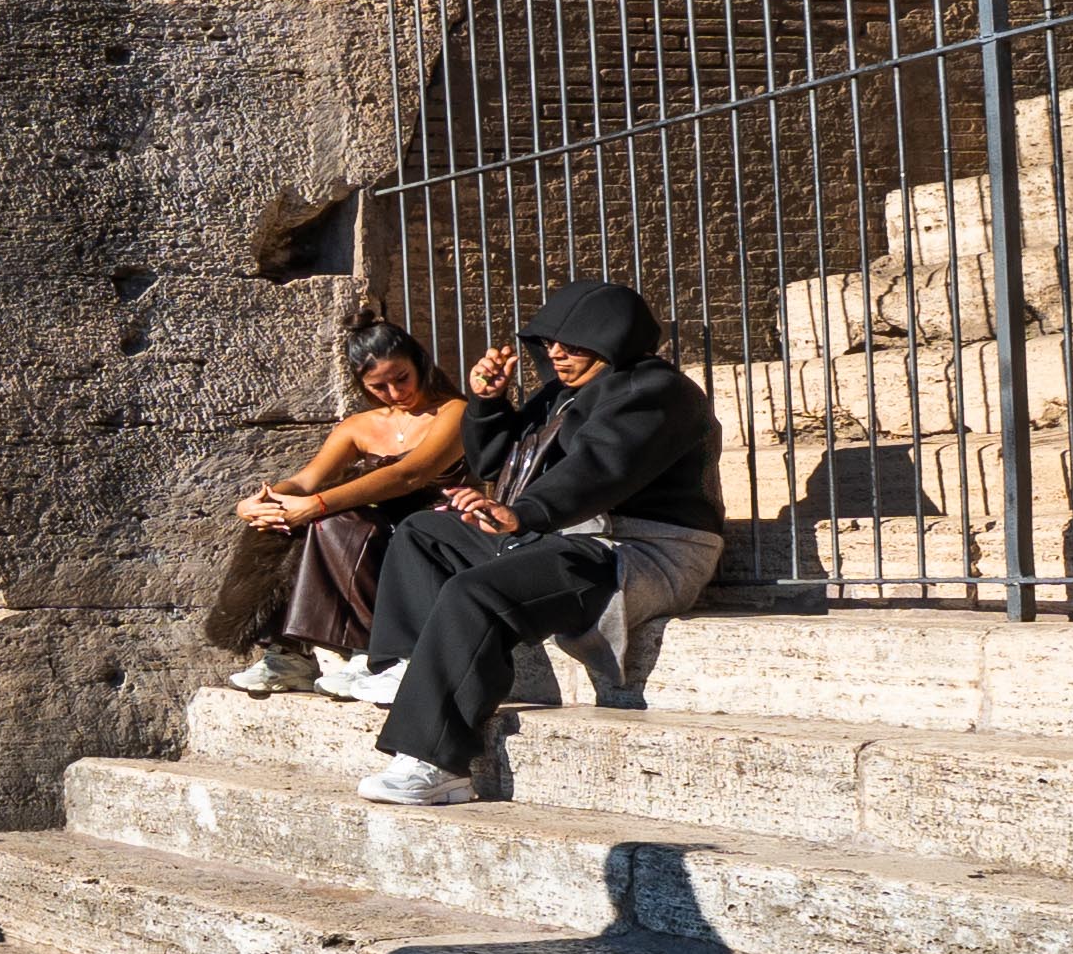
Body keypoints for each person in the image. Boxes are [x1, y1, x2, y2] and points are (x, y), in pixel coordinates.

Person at [338, 279, 724, 808]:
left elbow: (600, 470)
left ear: (615, 340)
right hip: (562, 533)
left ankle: (435, 765)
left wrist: (522, 514)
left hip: (638, 550)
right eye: (550, 343)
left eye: (574, 344)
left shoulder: (656, 392)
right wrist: (489, 402)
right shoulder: (566, 394)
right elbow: (499, 461)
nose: (557, 352)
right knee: (426, 534)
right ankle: (407, 667)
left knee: (475, 593)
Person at [228, 325, 472, 694]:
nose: (394, 392)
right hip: (372, 520)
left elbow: (409, 474)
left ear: (420, 362)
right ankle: (289, 653)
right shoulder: (360, 425)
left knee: (336, 520)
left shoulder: (454, 412)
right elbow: (306, 481)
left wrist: (316, 505)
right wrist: (257, 503)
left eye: (402, 378)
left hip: (432, 520)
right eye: (378, 386)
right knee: (282, 522)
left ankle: (371, 652)